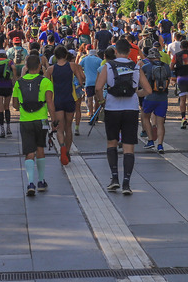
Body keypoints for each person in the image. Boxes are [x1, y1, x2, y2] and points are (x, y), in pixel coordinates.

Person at [95, 38, 147, 194]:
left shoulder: (108, 66)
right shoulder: (136, 67)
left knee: (112, 143)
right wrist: (137, 94)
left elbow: (98, 87)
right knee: (129, 147)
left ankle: (114, 178)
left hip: (112, 108)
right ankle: (126, 183)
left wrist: (102, 101)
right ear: (130, 52)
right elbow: (148, 90)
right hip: (131, 109)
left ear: (115, 51)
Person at [12, 54, 54, 196]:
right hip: (41, 119)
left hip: (25, 120)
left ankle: (30, 183)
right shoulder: (45, 82)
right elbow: (50, 102)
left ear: (26, 67)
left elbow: (15, 105)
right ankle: (41, 181)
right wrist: (54, 120)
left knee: (29, 151)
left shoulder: (19, 83)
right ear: (40, 67)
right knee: (40, 148)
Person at [45, 45, 85, 165]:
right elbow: (81, 81)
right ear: (66, 55)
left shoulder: (50, 70)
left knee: (60, 129)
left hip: (57, 100)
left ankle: (62, 147)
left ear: (55, 57)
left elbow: (46, 86)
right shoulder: (72, 66)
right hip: (70, 99)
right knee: (68, 127)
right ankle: (67, 151)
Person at [140, 48, 172, 153]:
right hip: (163, 98)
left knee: (145, 117)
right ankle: (160, 145)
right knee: (160, 123)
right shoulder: (167, 67)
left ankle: (150, 140)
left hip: (149, 97)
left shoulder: (146, 67)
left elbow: (139, 78)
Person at [0, 51, 16, 138]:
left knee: (1, 108)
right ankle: (8, 128)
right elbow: (14, 68)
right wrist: (14, 79)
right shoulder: (9, 61)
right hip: (8, 86)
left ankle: (2, 130)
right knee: (7, 107)